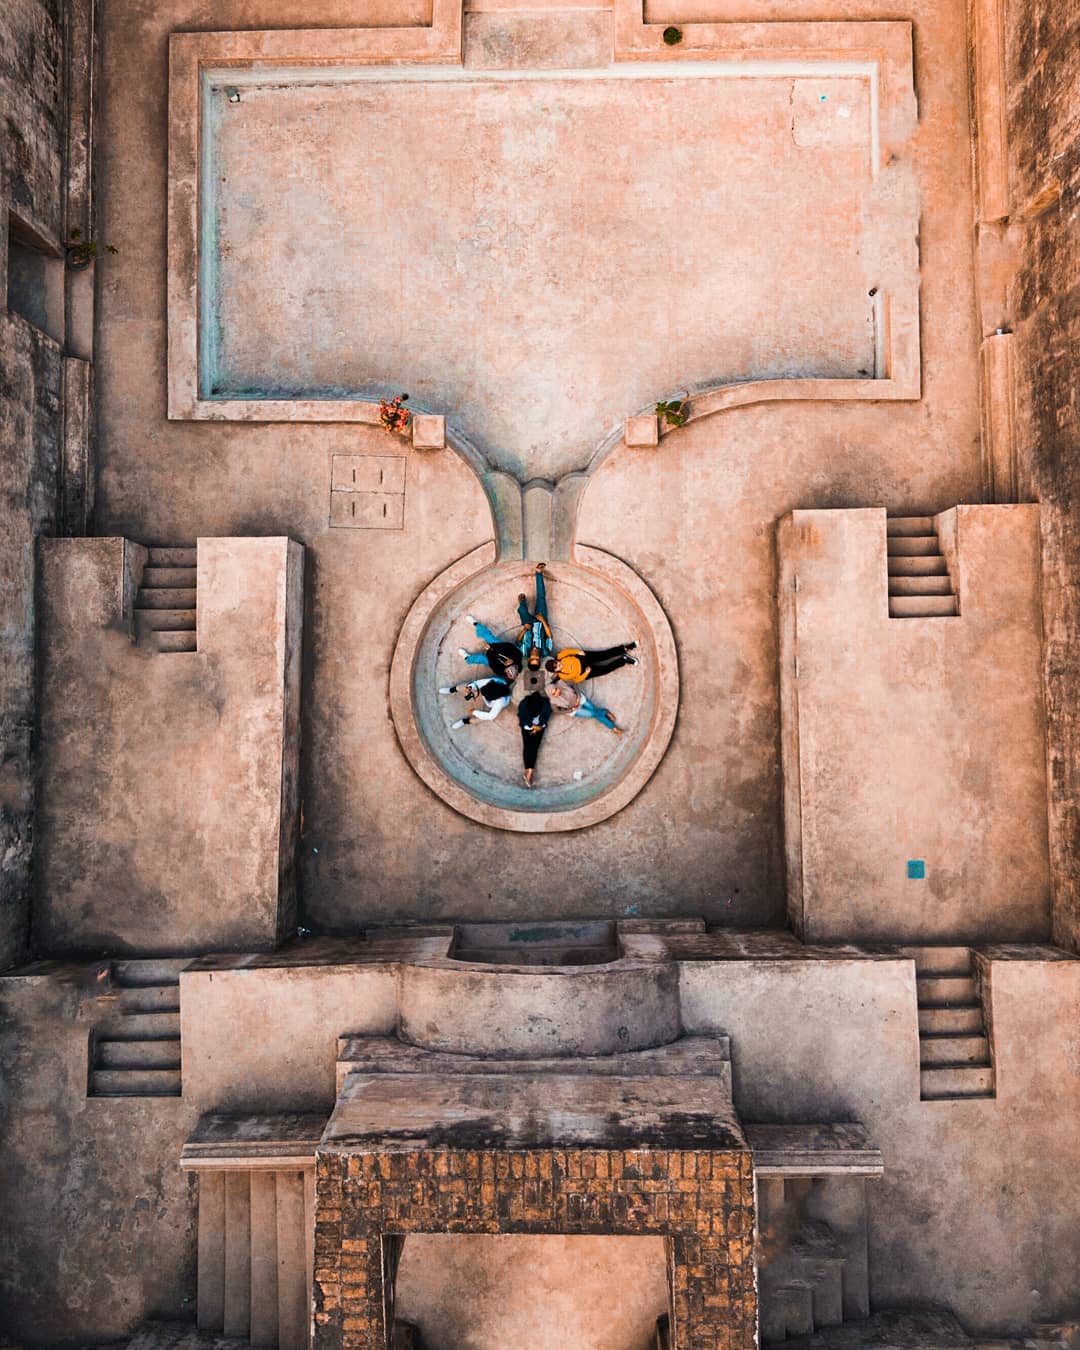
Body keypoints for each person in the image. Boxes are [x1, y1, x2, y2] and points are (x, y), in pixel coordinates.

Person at [547, 677, 622, 733]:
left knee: (594, 711)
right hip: (574, 710)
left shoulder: (562, 683)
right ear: (551, 695)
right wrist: (570, 710)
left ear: (556, 687)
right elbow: (556, 711)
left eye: (556, 689)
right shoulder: (553, 701)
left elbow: (574, 684)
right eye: (554, 693)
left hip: (580, 699)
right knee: (592, 714)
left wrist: (578, 697)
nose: (557, 692)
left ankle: (613, 728)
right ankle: (606, 714)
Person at [458, 616, 521, 683]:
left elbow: (492, 663)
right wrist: (492, 647)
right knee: (490, 638)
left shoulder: (500, 671)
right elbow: (508, 645)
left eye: (508, 672)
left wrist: (489, 651)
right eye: (511, 670)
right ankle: (476, 624)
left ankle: (467, 658)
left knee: (482, 659)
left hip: (492, 657)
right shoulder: (518, 656)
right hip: (500, 647)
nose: (507, 670)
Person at [516, 563, 553, 670]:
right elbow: (550, 636)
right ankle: (538, 573)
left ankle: (522, 603)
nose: (535, 656)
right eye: (537, 659)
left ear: (529, 659)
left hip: (529, 624)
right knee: (541, 598)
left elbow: (517, 642)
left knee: (522, 610)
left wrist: (524, 629)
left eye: (533, 659)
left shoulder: (525, 651)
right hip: (541, 623)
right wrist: (543, 621)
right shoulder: (545, 652)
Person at [438, 676, 512, 728]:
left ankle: (465, 721)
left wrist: (474, 712)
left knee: (484, 718)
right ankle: (452, 690)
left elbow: (491, 716)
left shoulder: (500, 702)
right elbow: (478, 683)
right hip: (489, 692)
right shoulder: (491, 681)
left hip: (493, 703)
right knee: (467, 687)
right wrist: (469, 688)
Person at [545, 641, 637, 683]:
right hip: (586, 672)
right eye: (557, 667)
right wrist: (586, 673)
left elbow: (568, 651)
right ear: (555, 671)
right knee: (605, 669)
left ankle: (625, 648)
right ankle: (623, 660)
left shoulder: (560, 656)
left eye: (556, 663)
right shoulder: (562, 675)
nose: (559, 665)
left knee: (604, 655)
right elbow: (576, 680)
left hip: (583, 658)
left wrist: (578, 652)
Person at [517, 690, 551, 787]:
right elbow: (522, 719)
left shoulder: (545, 704)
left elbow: (546, 717)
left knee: (534, 748)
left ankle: (528, 772)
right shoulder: (523, 705)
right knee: (528, 747)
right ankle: (529, 772)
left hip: (539, 728)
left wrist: (538, 727)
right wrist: (532, 726)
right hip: (527, 728)